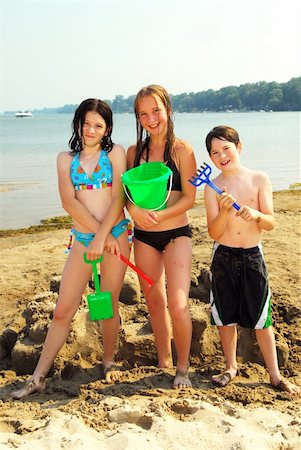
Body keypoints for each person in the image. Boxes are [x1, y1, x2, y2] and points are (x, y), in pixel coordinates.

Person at [12, 99, 131, 399]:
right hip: (83, 239)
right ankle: (38, 376)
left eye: (98, 125)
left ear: (108, 129)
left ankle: (108, 360)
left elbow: (119, 199)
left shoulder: (115, 153)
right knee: (64, 308)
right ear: (77, 124)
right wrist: (94, 238)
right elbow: (69, 202)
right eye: (86, 123)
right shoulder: (65, 159)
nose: (91, 130)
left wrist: (105, 236)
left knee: (109, 302)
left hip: (116, 235)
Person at [203, 125, 300, 395]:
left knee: (261, 318)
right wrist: (224, 211)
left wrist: (256, 215)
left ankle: (274, 374)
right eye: (214, 152)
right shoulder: (212, 187)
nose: (222, 156)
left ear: (239, 147)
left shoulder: (259, 179)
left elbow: (270, 222)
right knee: (224, 316)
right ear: (210, 158)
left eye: (226, 148)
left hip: (252, 255)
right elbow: (213, 231)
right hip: (223, 255)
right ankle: (230, 366)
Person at [126, 84, 197, 388]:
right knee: (154, 301)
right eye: (143, 113)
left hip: (176, 235)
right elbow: (125, 196)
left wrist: (160, 216)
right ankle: (163, 360)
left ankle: (183, 368)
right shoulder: (134, 152)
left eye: (155, 110)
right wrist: (133, 211)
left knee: (178, 304)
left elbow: (190, 198)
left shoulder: (183, 150)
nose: (151, 118)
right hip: (143, 238)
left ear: (168, 109)